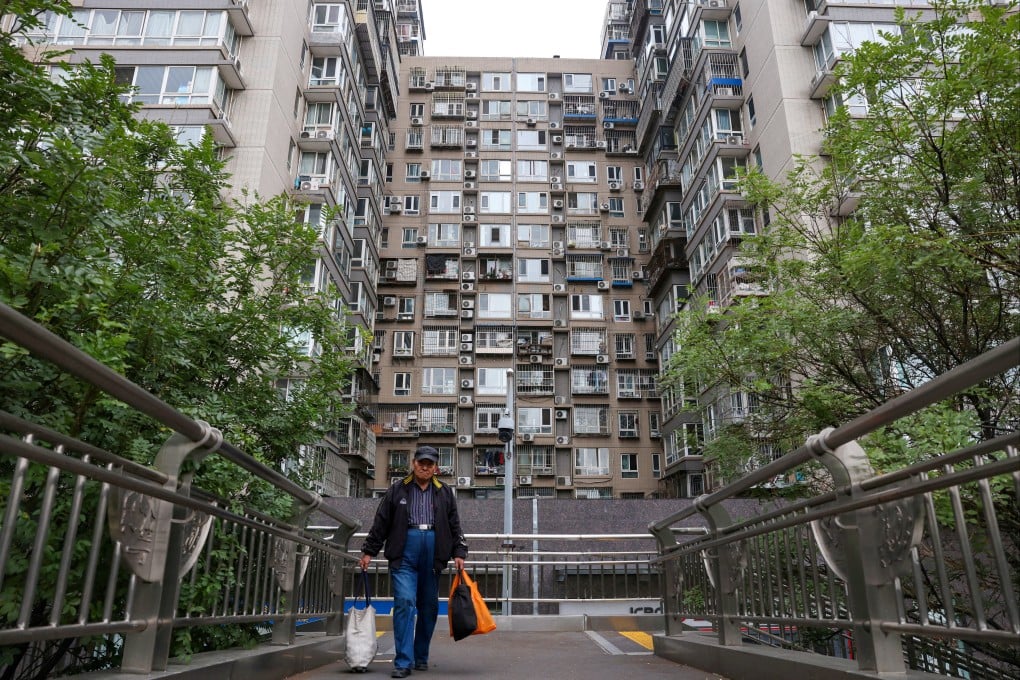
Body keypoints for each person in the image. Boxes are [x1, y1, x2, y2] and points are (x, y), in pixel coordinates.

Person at [359, 445, 468, 678]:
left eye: (430, 464)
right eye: (421, 463)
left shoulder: (444, 492)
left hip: (433, 552)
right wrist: (369, 551)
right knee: (405, 602)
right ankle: (403, 662)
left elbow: (454, 524)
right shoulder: (397, 489)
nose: (425, 467)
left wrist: (459, 552)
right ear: (413, 463)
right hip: (404, 550)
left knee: (428, 608)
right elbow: (381, 522)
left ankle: (421, 656)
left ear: (435, 467)